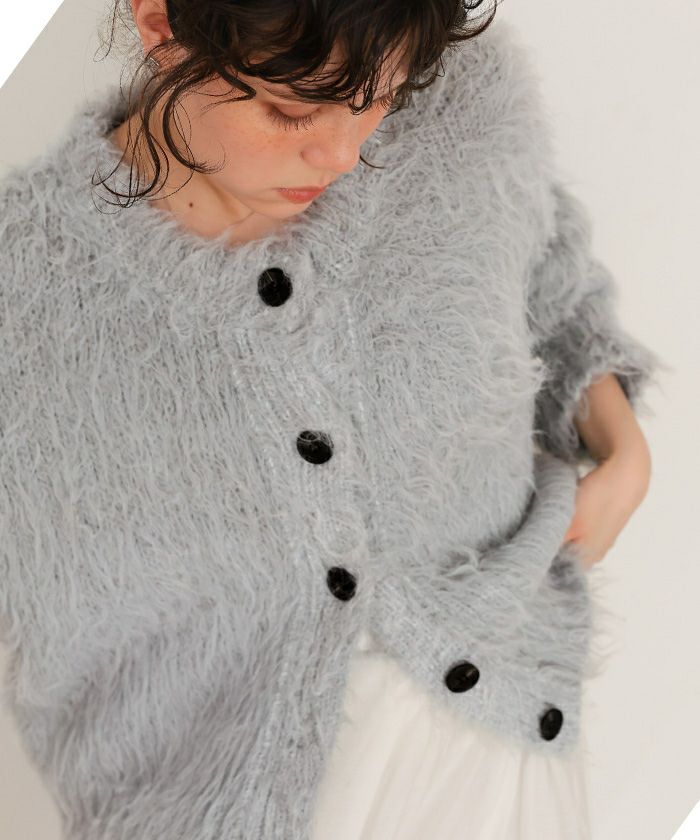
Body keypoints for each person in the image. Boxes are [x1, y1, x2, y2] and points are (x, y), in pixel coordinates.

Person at [0, 0, 666, 838]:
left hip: (506, 762)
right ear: (161, 24)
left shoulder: (464, 111)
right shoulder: (22, 301)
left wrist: (625, 452)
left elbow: (548, 276)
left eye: (382, 98)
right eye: (293, 109)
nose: (342, 153)